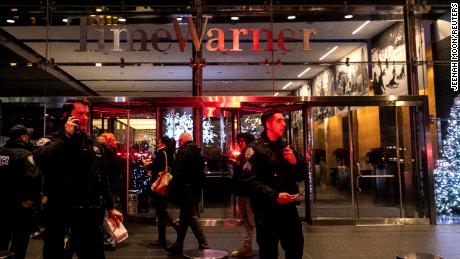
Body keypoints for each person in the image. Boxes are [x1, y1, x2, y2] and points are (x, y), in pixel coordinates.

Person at [33, 98, 123, 259]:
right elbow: (40, 158)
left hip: (89, 217)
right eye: (80, 113)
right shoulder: (54, 139)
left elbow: (102, 178)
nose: (85, 118)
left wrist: (111, 207)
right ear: (68, 115)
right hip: (60, 215)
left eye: (87, 114)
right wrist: (66, 136)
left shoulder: (92, 144)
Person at [240, 109, 305, 259]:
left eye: (283, 120)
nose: (284, 124)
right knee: (269, 251)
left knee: (295, 247)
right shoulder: (254, 149)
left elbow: (301, 176)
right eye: (279, 120)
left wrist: (295, 162)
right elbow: (247, 180)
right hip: (266, 211)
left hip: (289, 209)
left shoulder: (288, 147)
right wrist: (274, 196)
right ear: (268, 124)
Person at [0, 125, 41, 259]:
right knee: (20, 239)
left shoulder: (1, 151)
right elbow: (33, 177)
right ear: (23, 137)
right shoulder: (26, 155)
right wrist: (30, 199)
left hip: (3, 203)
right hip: (20, 205)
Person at [166, 132, 209, 254]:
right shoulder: (198, 151)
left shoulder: (183, 151)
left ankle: (204, 244)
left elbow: (178, 172)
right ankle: (178, 245)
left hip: (186, 191)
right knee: (185, 218)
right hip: (195, 189)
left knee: (192, 217)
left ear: (181, 141)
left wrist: (172, 184)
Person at [147, 135, 179, 248]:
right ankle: (169, 231)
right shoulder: (171, 153)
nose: (157, 143)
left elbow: (157, 167)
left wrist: (149, 165)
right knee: (162, 210)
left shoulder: (161, 152)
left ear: (163, 143)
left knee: (160, 211)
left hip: (160, 185)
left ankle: (164, 237)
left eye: (159, 141)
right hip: (167, 184)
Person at [231, 132, 256, 257]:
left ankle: (248, 246)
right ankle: (248, 246)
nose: (240, 143)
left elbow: (246, 170)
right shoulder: (245, 152)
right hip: (244, 191)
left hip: (247, 192)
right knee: (247, 220)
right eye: (239, 141)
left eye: (242, 141)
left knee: (250, 220)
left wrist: (237, 164)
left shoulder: (249, 151)